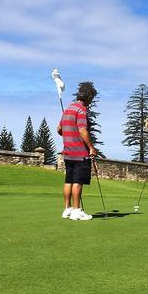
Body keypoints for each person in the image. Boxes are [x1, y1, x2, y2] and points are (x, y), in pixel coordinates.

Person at [58, 82, 98, 221]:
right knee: (78, 181)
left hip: (67, 151)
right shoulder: (81, 109)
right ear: (88, 96)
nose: (91, 101)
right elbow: (82, 129)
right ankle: (76, 210)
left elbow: (59, 129)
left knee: (68, 180)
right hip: (79, 152)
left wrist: (69, 134)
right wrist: (91, 148)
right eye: (91, 98)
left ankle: (67, 209)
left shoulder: (69, 108)